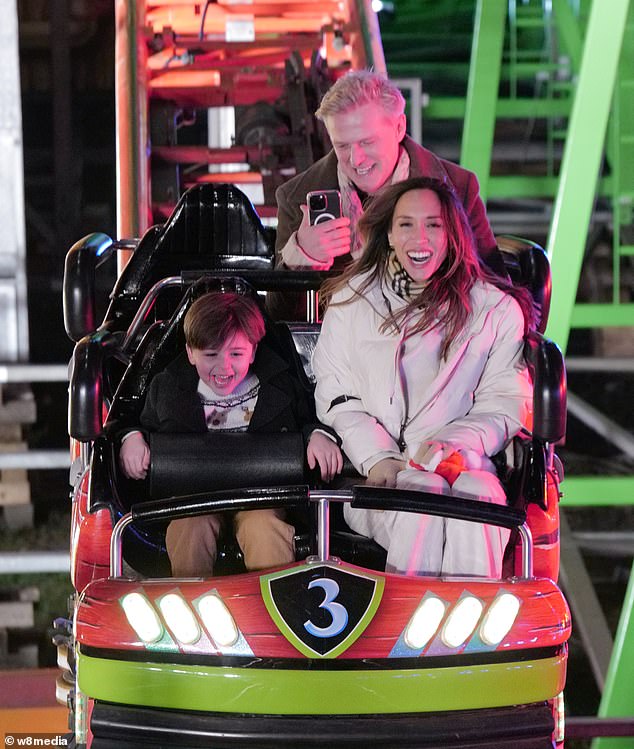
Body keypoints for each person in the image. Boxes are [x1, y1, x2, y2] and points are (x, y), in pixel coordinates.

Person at [312, 176, 534, 578]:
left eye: (433, 224)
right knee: (422, 495)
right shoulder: (351, 301)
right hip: (379, 473)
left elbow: (504, 401)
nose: (421, 237)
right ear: (390, 235)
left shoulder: (494, 310)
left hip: (462, 462)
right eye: (407, 224)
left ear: (452, 234)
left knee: (480, 493)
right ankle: (415, 633)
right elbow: (336, 392)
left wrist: (448, 445)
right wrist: (378, 456)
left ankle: (469, 628)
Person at [119, 291, 342, 577]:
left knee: (264, 529)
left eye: (236, 354)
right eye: (211, 355)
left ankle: (271, 612)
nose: (224, 367)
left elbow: (307, 419)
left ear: (253, 351)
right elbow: (138, 422)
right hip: (193, 497)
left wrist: (316, 436)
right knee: (189, 529)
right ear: (190, 352)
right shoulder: (168, 389)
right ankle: (190, 610)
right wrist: (133, 438)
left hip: (260, 498)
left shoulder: (280, 386)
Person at [271, 70, 504, 320]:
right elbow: (276, 318)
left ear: (399, 127)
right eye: (342, 145)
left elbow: (495, 291)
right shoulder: (297, 198)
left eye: (367, 142)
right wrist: (301, 258)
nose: (355, 158)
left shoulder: (458, 188)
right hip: (338, 352)